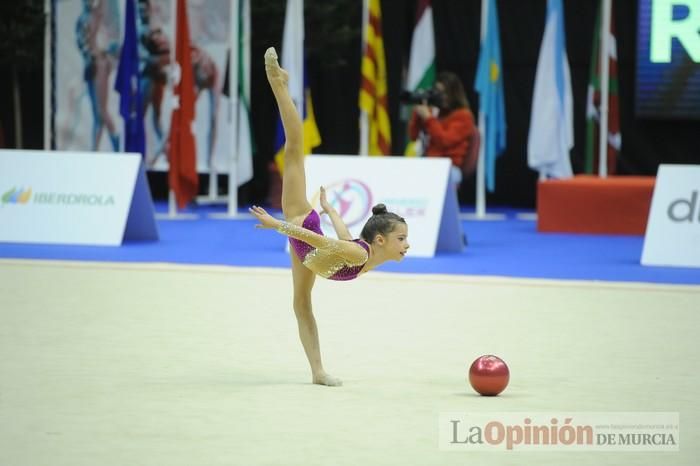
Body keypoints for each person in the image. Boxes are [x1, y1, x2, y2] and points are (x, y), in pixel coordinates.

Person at [248, 47, 410, 387]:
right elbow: (321, 240)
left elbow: (343, 238)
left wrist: (332, 209)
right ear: (380, 241)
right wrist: (281, 225)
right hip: (301, 226)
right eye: (401, 239)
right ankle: (278, 83)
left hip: (309, 254)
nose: (406, 245)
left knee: (302, 303)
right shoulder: (360, 254)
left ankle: (317, 371)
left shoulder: (362, 249)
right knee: (294, 148)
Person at [408, 71, 476, 186]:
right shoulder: (435, 114)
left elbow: (444, 141)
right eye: (437, 93)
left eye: (443, 93)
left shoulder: (464, 116)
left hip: (450, 167)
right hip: (430, 165)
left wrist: (428, 118)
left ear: (454, 94)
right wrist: (418, 114)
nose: (440, 97)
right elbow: (413, 136)